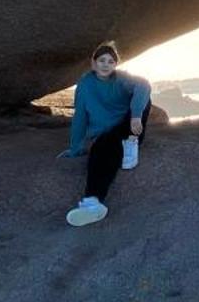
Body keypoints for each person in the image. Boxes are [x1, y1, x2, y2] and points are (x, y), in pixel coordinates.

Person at [59, 41, 152, 226]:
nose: (106, 65)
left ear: (115, 65)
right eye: (102, 60)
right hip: (107, 134)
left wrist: (135, 116)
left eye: (111, 61)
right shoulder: (85, 85)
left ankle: (130, 142)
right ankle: (92, 206)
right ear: (93, 63)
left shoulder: (122, 78)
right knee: (99, 152)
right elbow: (80, 118)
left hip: (129, 126)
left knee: (143, 98)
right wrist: (75, 147)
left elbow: (144, 85)